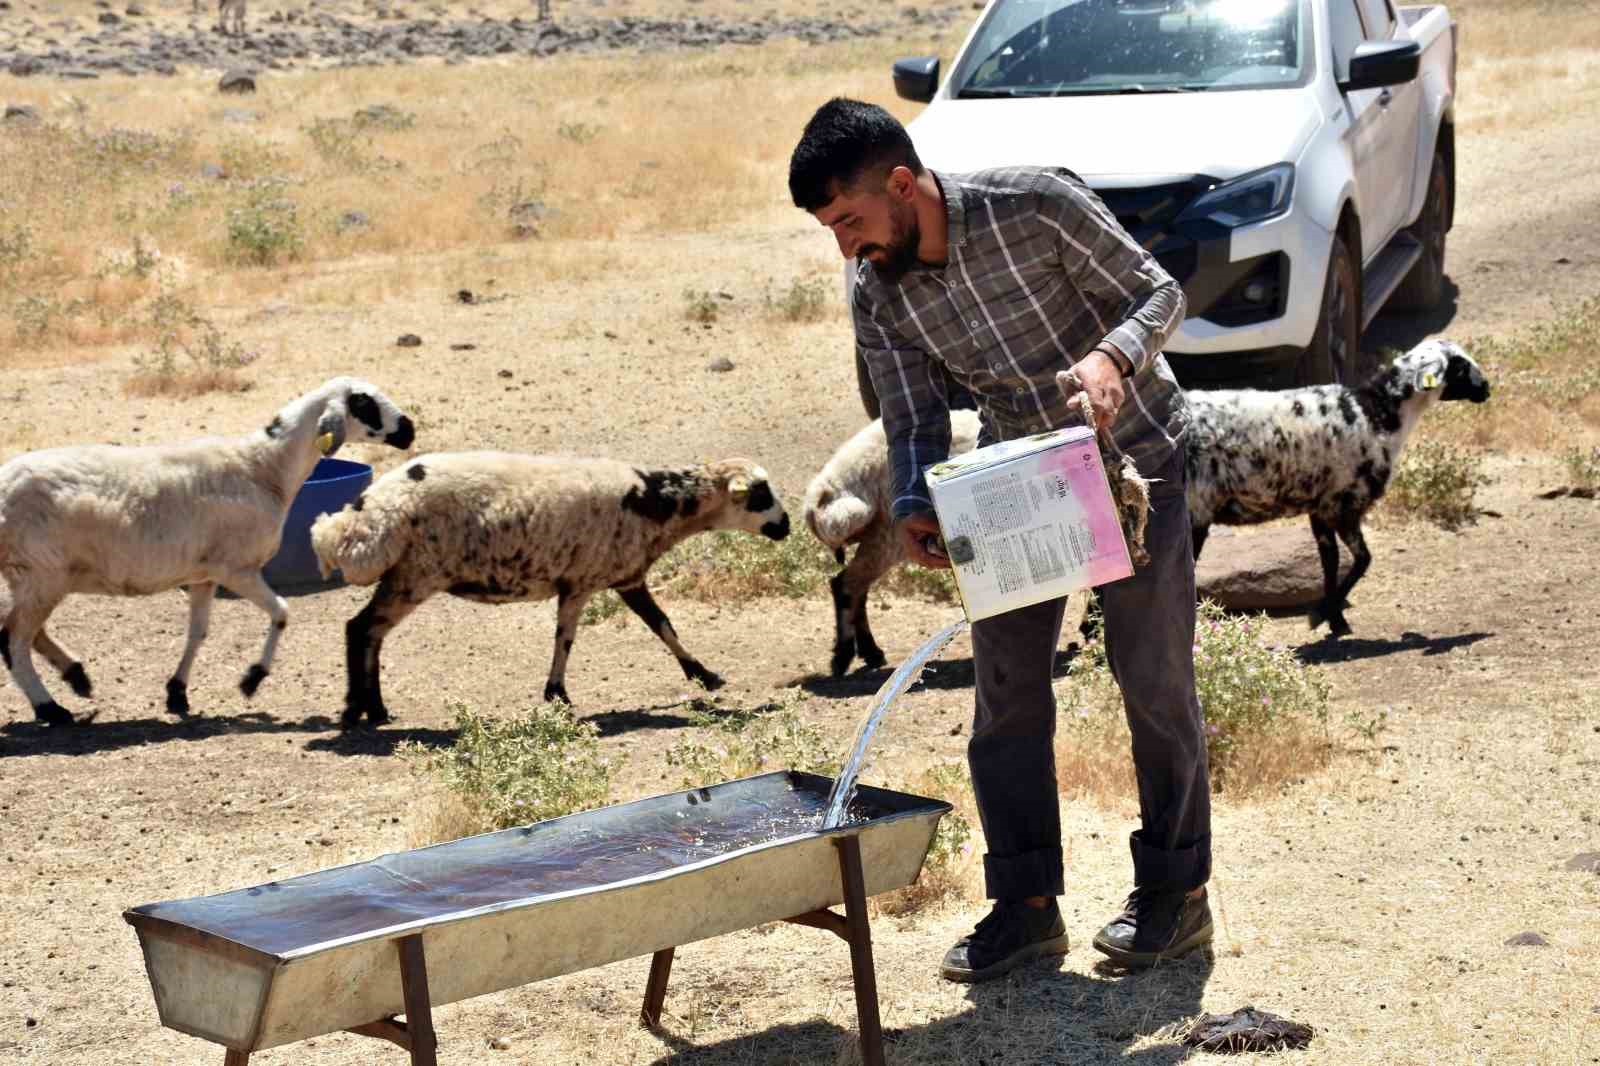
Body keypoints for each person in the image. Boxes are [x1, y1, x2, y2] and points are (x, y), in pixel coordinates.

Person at [789, 98, 1213, 981]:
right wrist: (915, 502)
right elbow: (911, 415)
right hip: (1016, 486)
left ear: (900, 185)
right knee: (1006, 698)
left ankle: (1177, 896)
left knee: (1152, 679)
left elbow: (1160, 293)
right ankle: (1025, 909)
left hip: (1137, 463)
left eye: (850, 221)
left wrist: (1112, 360)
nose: (845, 248)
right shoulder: (877, 290)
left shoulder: (1036, 204)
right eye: (830, 231)